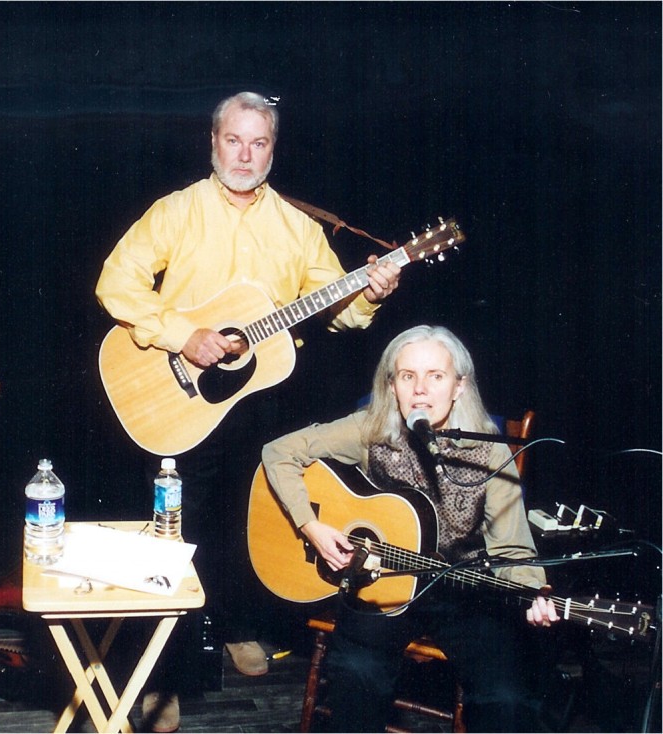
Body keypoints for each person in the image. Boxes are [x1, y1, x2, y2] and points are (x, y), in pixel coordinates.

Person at [95, 91, 402, 732]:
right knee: (174, 530)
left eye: (258, 143)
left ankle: (238, 626)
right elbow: (115, 282)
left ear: (272, 150)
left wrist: (369, 293)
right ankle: (162, 677)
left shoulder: (297, 228)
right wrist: (182, 335)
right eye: (234, 140)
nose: (245, 154)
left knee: (252, 517)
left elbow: (338, 312)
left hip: (262, 399)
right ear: (213, 142)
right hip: (178, 398)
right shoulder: (176, 212)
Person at [261, 324, 558, 732]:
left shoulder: (489, 450)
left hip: (461, 593)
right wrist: (309, 525)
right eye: (407, 376)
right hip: (378, 587)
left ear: (458, 386)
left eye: (436, 376)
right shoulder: (369, 429)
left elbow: (513, 549)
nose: (420, 389)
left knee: (506, 697)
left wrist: (533, 593)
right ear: (393, 385)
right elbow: (278, 452)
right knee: (356, 676)